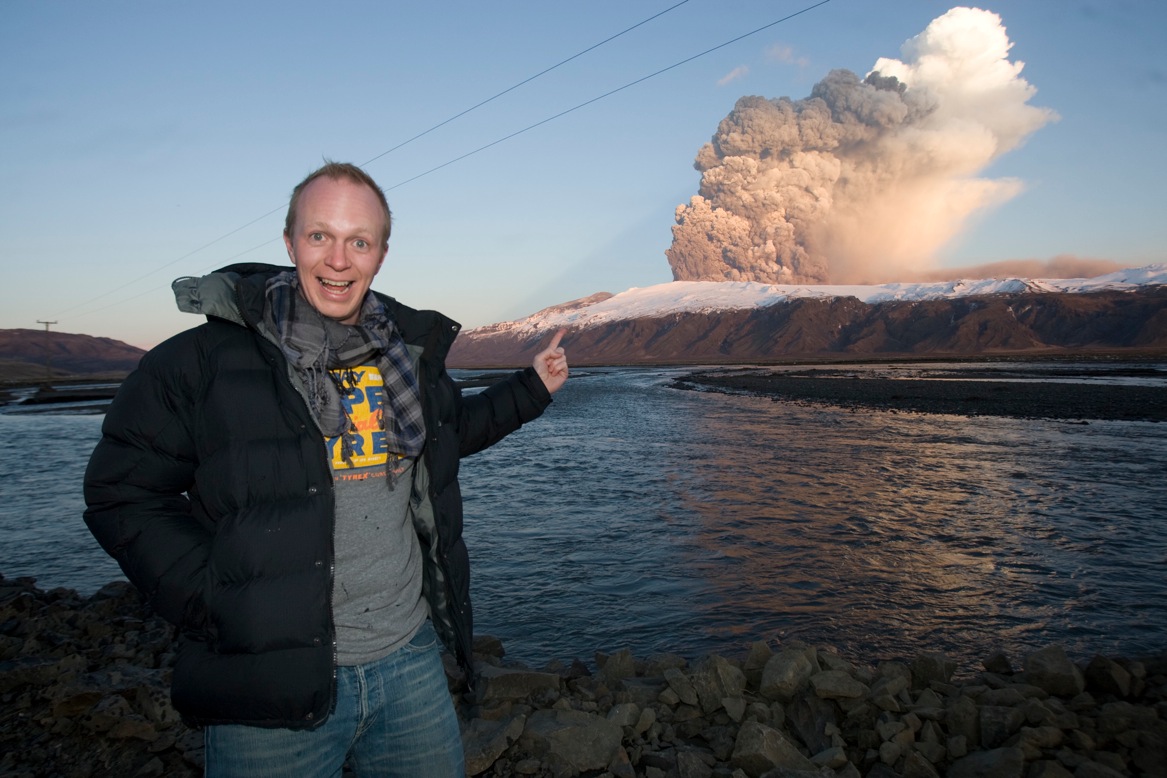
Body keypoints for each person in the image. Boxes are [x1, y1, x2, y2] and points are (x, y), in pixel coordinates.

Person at [83, 161, 569, 777]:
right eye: (320, 236)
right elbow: (121, 492)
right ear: (290, 243)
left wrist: (532, 390)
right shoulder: (203, 361)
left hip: (408, 660)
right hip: (267, 680)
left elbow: (448, 437)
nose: (339, 260)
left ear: (380, 255)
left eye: (358, 241)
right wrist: (215, 598)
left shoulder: (405, 355)